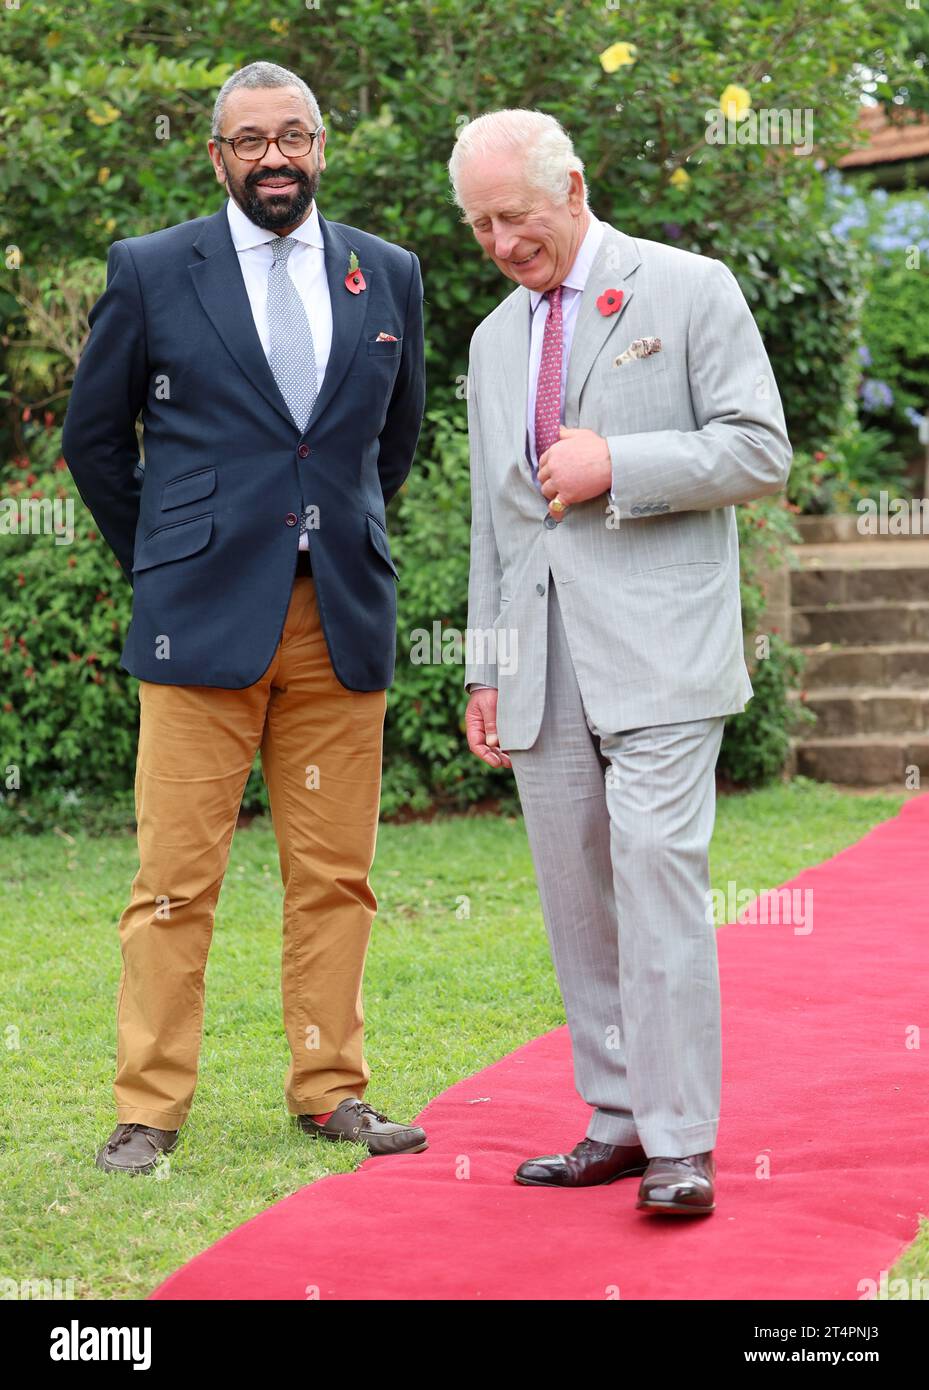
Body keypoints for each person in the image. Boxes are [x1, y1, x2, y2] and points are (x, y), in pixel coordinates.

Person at [62, 61, 427, 1175]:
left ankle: (330, 1090)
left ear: (321, 146)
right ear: (218, 156)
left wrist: (333, 533)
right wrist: (167, 560)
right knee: (174, 879)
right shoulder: (154, 269)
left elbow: (389, 439)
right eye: (251, 141)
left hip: (339, 618)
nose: (276, 158)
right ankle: (148, 1109)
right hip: (198, 624)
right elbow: (94, 438)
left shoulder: (388, 273)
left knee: (336, 876)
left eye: (295, 137)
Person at [450, 108, 791, 1215]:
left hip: (661, 654)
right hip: (544, 665)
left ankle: (680, 1142)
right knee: (577, 900)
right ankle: (616, 1118)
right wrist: (485, 666)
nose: (500, 242)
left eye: (515, 215)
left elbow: (757, 449)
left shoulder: (689, 286)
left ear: (575, 186)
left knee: (653, 879)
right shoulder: (493, 338)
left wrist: (617, 462)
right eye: (478, 224)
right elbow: (495, 526)